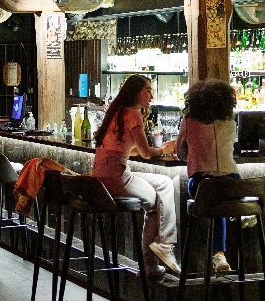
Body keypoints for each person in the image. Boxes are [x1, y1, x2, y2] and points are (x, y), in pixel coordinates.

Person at [92, 74, 180, 278]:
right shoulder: (133, 114)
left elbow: (128, 150)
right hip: (116, 175)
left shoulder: (116, 112)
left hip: (100, 174)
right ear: (136, 92)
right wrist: (166, 148)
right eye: (148, 89)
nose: (151, 94)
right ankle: (155, 257)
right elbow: (147, 153)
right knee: (155, 202)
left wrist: (153, 149)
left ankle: (160, 250)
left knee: (164, 183)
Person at [176, 79, 240, 275]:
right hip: (234, 184)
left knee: (212, 194)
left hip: (201, 184)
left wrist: (194, 156)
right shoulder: (230, 122)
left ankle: (219, 254)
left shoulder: (188, 121)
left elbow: (180, 152)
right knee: (222, 197)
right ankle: (239, 212)